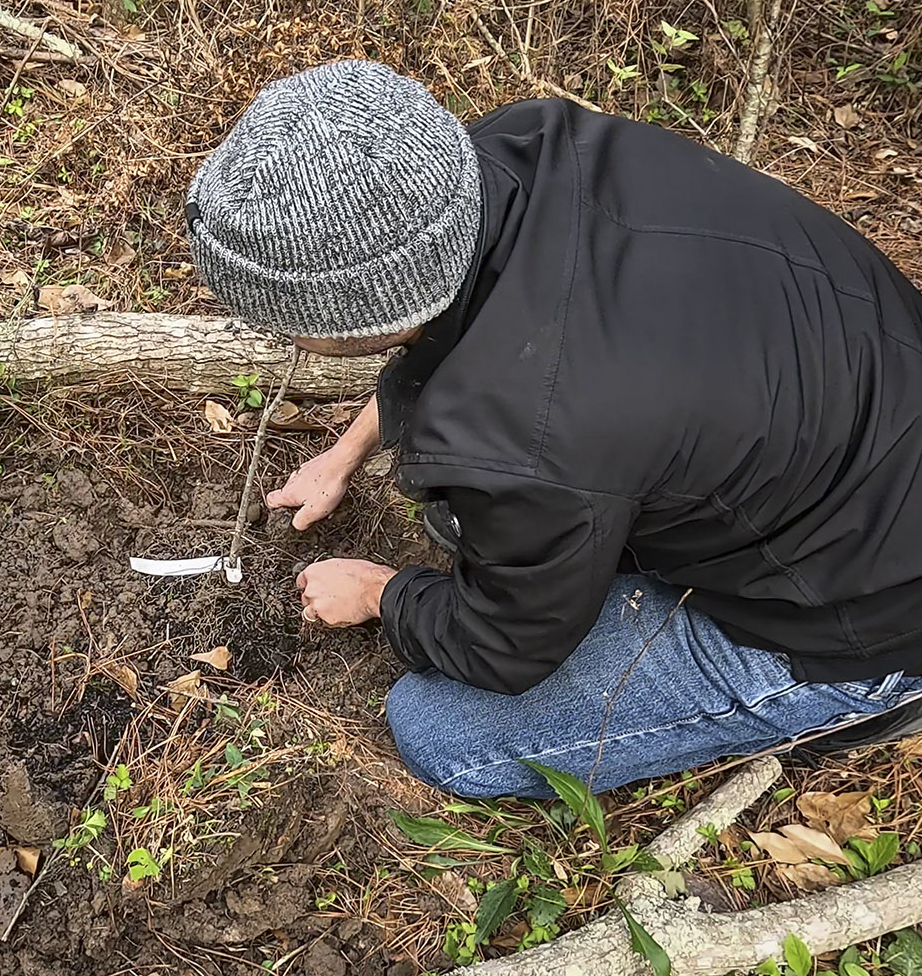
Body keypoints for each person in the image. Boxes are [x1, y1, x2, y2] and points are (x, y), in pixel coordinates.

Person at [187, 59, 922, 799]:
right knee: (478, 522)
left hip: (870, 611)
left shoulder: (530, 438)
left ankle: (871, 700)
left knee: (441, 732)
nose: (273, 337)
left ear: (357, 316)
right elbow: (459, 319)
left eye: (281, 324)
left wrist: (380, 592)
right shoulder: (527, 146)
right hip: (866, 401)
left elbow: (505, 649)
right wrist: (345, 452)